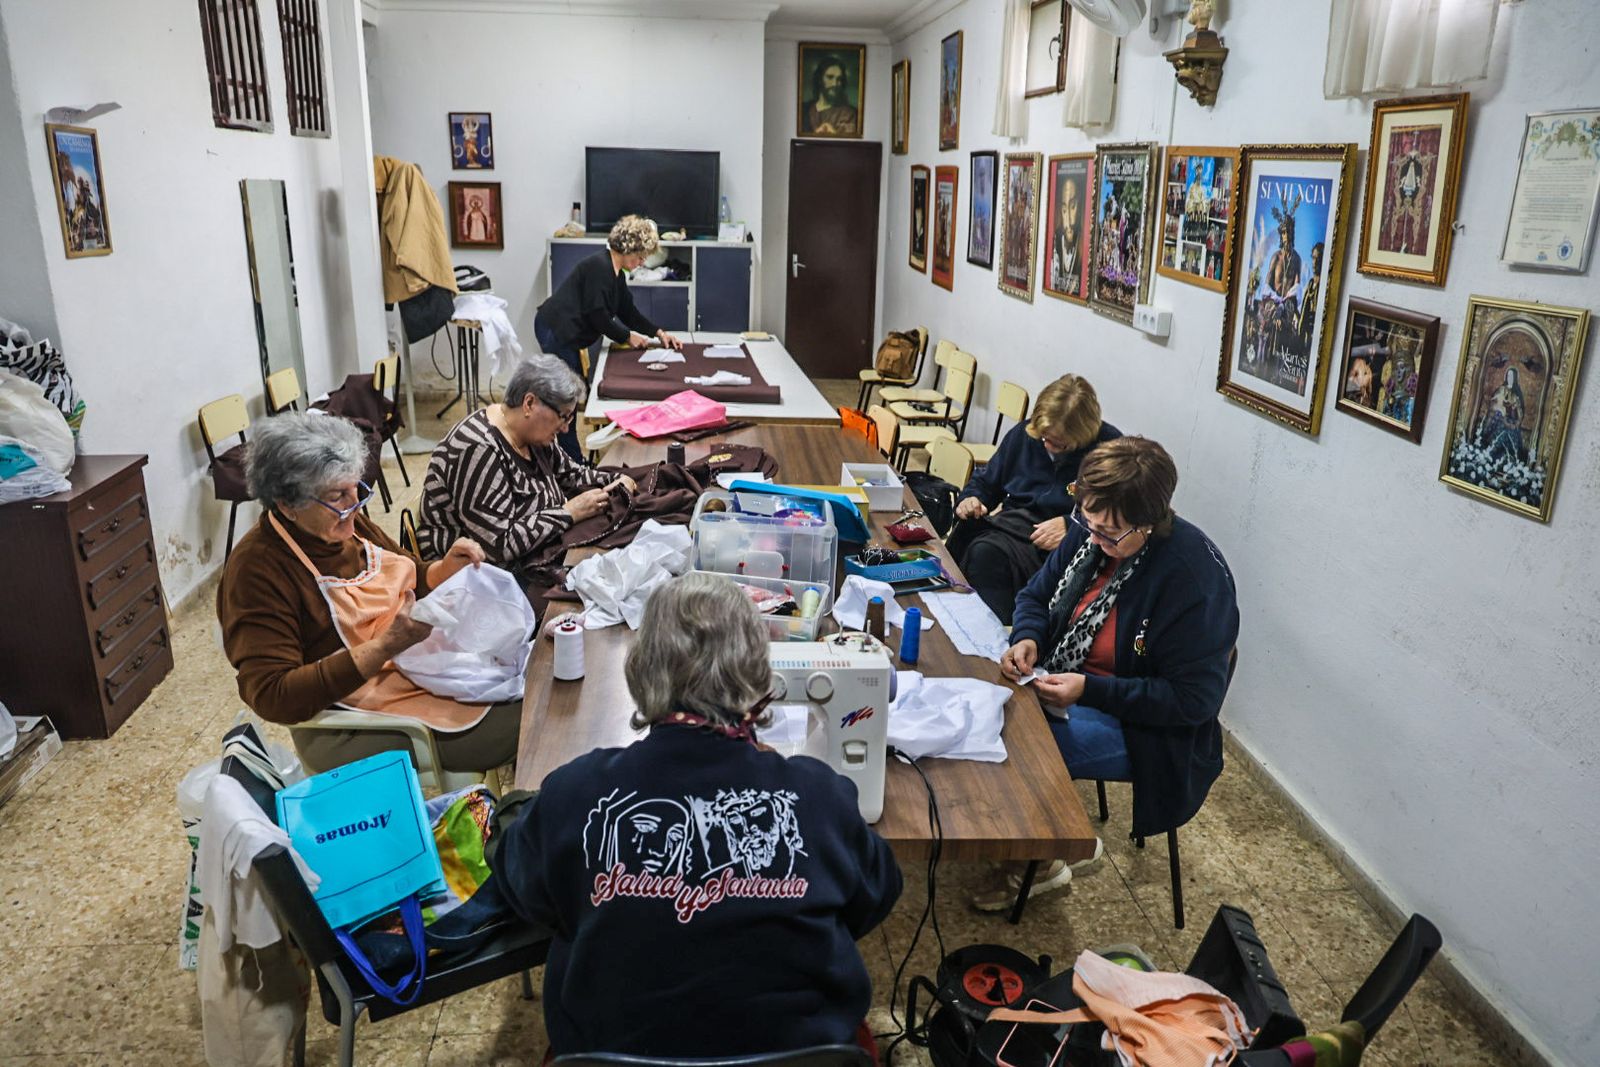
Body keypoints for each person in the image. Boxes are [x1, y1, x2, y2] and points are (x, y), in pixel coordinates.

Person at [496, 572, 902, 1056]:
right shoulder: (819, 797)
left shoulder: (574, 795)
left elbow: (524, 890)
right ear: (760, 675)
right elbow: (876, 895)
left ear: (640, 669)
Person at [972, 437, 1238, 911]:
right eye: (1088, 524)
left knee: (1024, 739)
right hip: (1074, 682)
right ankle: (1023, 832)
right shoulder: (1092, 529)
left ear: (1149, 522)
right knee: (989, 704)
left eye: (1109, 534)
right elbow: (1035, 595)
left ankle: (1046, 859)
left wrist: (1090, 690)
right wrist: (1028, 637)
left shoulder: (1192, 582)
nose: (1094, 540)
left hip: (1151, 731)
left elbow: (1192, 702)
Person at [217, 412, 521, 774]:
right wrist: (384, 647)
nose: (355, 505)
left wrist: (444, 570)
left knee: (540, 683)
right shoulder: (257, 571)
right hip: (348, 721)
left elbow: (408, 573)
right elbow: (272, 695)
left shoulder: (344, 521)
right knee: (532, 719)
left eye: (355, 489)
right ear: (287, 505)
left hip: (409, 672)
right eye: (338, 496)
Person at [417, 355, 632, 589]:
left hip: (529, 557)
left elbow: (572, 475)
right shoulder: (479, 449)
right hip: (478, 581)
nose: (565, 428)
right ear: (529, 403)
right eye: (563, 416)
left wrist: (617, 479)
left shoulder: (531, 436)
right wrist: (568, 512)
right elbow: (498, 545)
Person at [945, 375, 1120, 625]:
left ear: (1082, 435)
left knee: (990, 557)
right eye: (1044, 438)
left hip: (1070, 544)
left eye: (1059, 444)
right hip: (1016, 527)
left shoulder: (1109, 451)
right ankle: (980, 627)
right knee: (976, 548)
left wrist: (1073, 525)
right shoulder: (1025, 434)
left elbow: (1119, 517)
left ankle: (1001, 631)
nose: (1048, 447)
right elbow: (988, 481)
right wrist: (972, 498)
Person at [534, 214, 685, 457]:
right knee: (565, 401)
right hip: (556, 330)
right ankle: (572, 463)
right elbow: (598, 316)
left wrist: (659, 332)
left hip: (568, 333)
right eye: (640, 256)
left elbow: (628, 312)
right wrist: (627, 337)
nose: (642, 262)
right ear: (628, 248)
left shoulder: (617, 274)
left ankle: (569, 458)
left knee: (570, 397)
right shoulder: (599, 267)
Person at [801, 54, 859, 135]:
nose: (835, 84)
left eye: (839, 79)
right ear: (819, 79)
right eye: (830, 77)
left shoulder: (849, 114)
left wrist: (833, 134)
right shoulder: (804, 109)